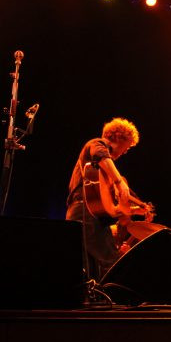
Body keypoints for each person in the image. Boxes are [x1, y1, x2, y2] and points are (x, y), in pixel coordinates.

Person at [66, 117, 151, 280]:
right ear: (118, 137)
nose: (126, 151)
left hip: (92, 216)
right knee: (113, 264)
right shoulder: (97, 144)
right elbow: (100, 154)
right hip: (84, 212)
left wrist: (137, 208)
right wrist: (119, 182)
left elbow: (114, 205)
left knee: (94, 271)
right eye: (127, 146)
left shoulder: (103, 172)